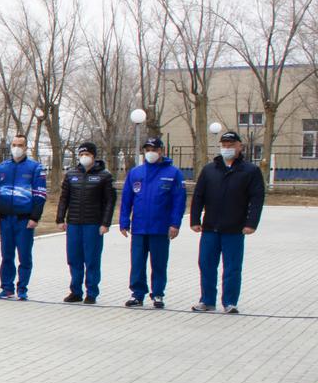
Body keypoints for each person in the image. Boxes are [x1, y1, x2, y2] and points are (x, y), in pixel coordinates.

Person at [189, 130, 265, 314]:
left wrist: (251, 223)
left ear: (240, 146)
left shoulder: (250, 171)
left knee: (232, 267)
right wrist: (194, 219)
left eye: (231, 145)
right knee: (206, 264)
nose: (227, 148)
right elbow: (198, 196)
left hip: (235, 228)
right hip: (210, 227)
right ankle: (207, 300)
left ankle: (230, 301)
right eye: (224, 145)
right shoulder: (209, 170)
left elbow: (256, 199)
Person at [119, 137, 186, 309]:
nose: (150, 153)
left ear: (161, 151)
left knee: (159, 262)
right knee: (137, 262)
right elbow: (127, 198)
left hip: (160, 227)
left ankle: (158, 294)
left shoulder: (173, 173)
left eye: (154, 149)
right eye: (147, 149)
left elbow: (179, 201)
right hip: (140, 227)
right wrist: (124, 221)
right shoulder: (136, 172)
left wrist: (175, 224)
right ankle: (137, 294)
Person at [55, 142, 116, 304]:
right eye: (81, 155)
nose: (84, 158)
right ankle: (75, 291)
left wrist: (105, 223)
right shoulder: (71, 174)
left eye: (87, 155)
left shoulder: (104, 176)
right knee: (74, 258)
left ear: (94, 156)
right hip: (74, 223)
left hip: (93, 224)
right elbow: (64, 198)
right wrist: (60, 218)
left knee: (92, 259)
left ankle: (92, 292)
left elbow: (110, 201)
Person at [0, 134, 47, 300]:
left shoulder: (35, 168)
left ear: (26, 147)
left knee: (24, 256)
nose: (16, 148)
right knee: (6, 255)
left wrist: (34, 217)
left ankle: (22, 288)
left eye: (20, 145)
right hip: (6, 218)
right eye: (14, 144)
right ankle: (6, 287)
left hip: (24, 219)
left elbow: (40, 195)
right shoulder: (2, 167)